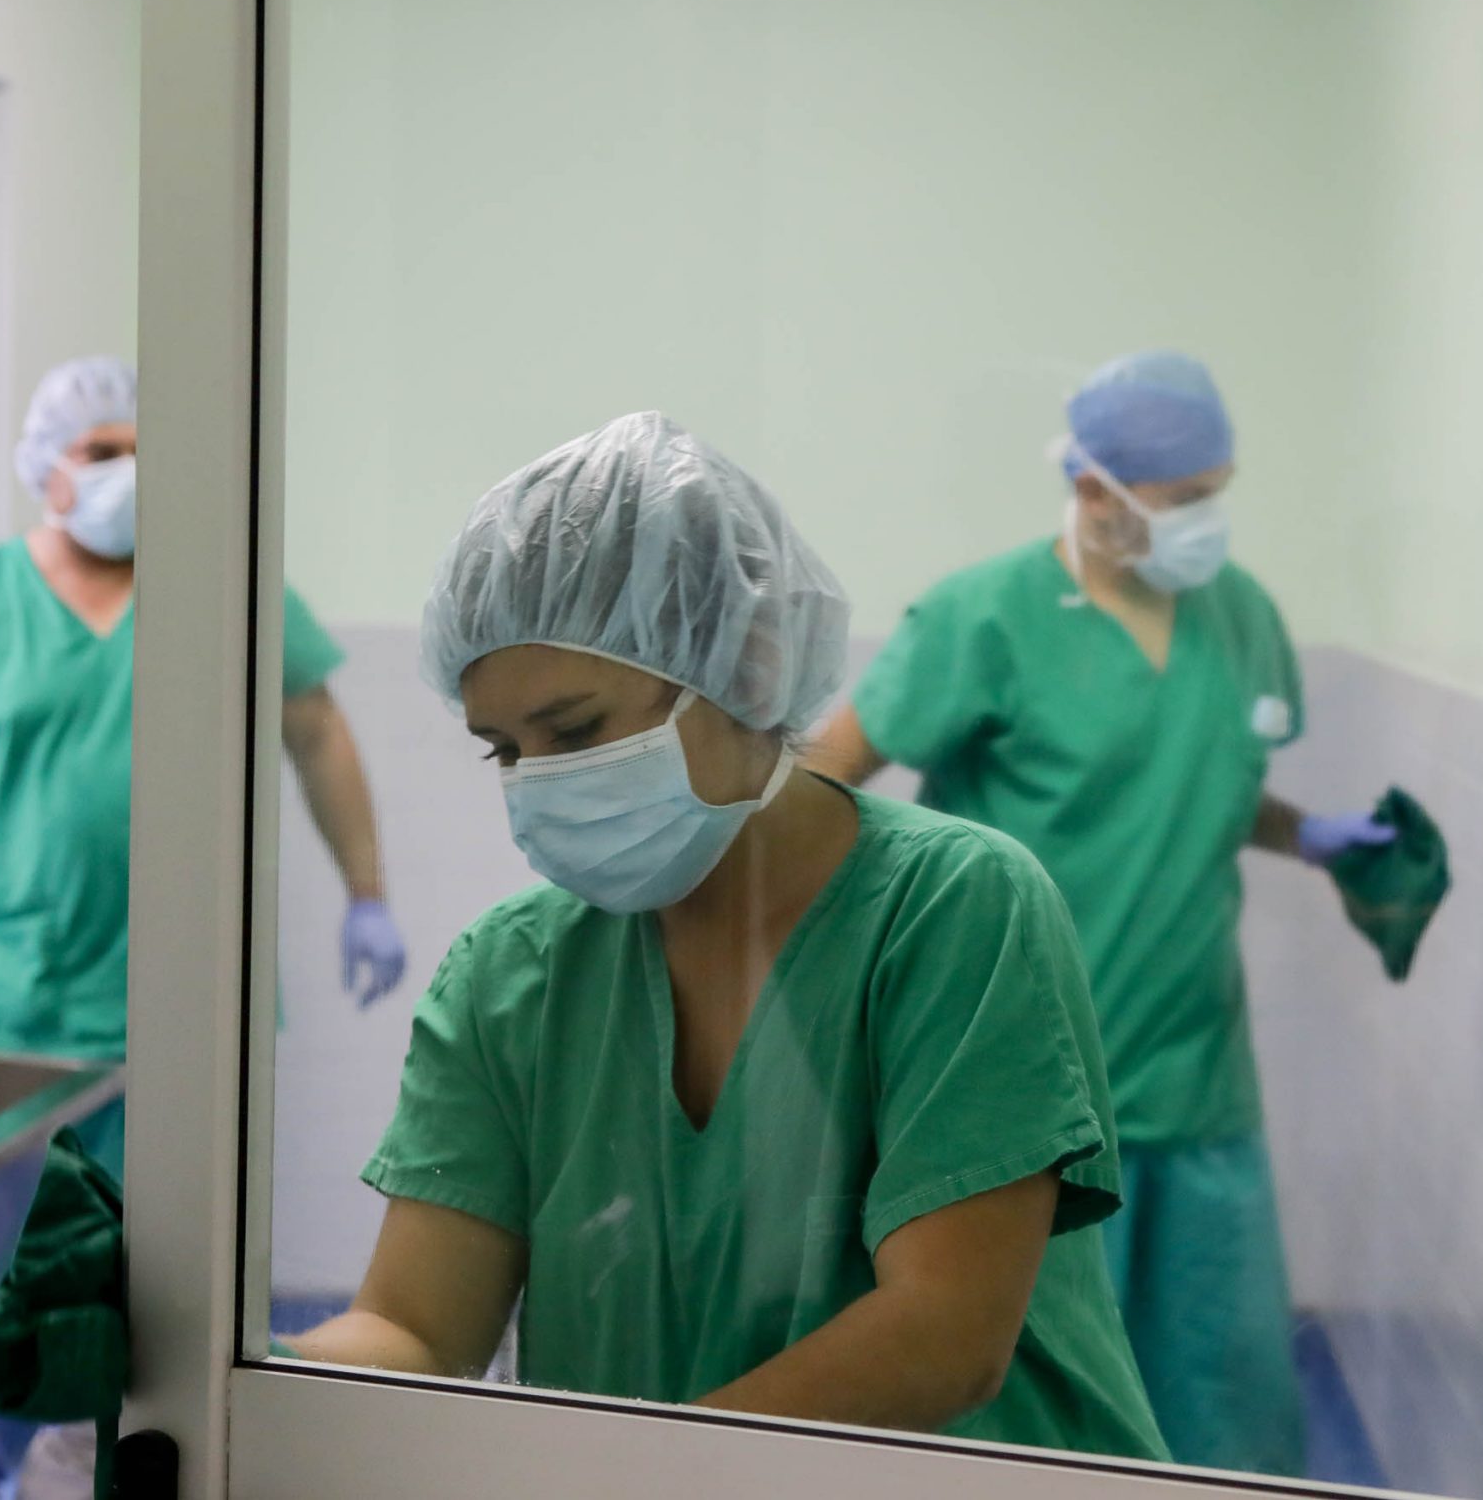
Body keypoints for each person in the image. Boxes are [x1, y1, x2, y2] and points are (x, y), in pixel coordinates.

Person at [288, 412, 1166, 1460]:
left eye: (576, 731)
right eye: (503, 751)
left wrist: (628, 1475)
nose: (541, 781)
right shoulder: (510, 977)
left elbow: (943, 1336)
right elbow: (418, 1328)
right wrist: (242, 1364)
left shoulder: (949, 908)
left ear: (746, 667)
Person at [809, 350, 1397, 1477]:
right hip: (1018, 1096)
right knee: (1031, 1413)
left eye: (1219, 492)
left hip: (1192, 1079)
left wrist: (1308, 836)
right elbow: (820, 781)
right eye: (1185, 499)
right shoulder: (985, 616)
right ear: (1094, 490)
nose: (1208, 520)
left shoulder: (1240, 613)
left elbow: (1199, 782)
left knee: (1215, 1403)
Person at [0, 356, 408, 1500]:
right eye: (103, 452)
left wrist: (368, 892)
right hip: (17, 1002)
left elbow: (316, 732)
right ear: (44, 469)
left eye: (147, 453)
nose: (131, 475)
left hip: (186, 1015)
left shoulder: (224, 582)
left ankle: (86, 1453)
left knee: (151, 1289)